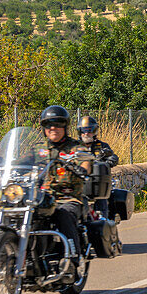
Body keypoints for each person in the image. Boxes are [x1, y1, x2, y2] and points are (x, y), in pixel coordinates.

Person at [39, 105, 91, 273]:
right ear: (44, 128)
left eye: (58, 123)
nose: (53, 128)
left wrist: (83, 168)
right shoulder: (38, 149)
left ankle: (73, 258)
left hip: (68, 197)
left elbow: (86, 161)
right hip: (41, 197)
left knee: (63, 214)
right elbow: (21, 161)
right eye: (49, 124)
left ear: (65, 126)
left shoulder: (76, 147)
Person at [77, 115, 119, 215]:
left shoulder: (102, 146)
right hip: (80, 182)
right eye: (83, 130)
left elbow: (113, 156)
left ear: (94, 131)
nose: (86, 133)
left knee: (101, 198)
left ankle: (103, 219)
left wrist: (110, 160)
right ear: (79, 132)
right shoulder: (75, 146)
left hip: (97, 182)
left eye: (89, 130)